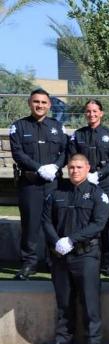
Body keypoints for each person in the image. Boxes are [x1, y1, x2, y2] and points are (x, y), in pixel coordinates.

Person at [41, 153, 109, 344]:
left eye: (79, 167)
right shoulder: (56, 193)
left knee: (89, 300)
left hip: (86, 255)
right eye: (71, 167)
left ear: (88, 168)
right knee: (64, 300)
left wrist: (72, 239)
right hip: (61, 255)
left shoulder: (98, 194)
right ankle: (63, 338)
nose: (74, 171)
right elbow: (46, 221)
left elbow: (98, 224)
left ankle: (93, 340)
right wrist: (57, 241)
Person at [10, 88, 67, 280]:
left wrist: (56, 167)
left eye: (44, 102)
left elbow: (66, 152)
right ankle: (29, 264)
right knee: (31, 224)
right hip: (30, 184)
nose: (40, 105)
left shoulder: (58, 127)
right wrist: (38, 168)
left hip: (53, 184)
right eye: (36, 102)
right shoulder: (19, 126)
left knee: (55, 224)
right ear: (29, 103)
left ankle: (55, 262)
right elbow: (18, 153)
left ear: (49, 105)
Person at [68, 99, 109, 277]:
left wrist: (98, 174)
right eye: (88, 111)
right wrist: (85, 176)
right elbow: (73, 158)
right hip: (84, 185)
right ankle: (88, 260)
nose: (92, 114)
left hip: (105, 183)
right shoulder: (78, 135)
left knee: (108, 222)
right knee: (84, 220)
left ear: (101, 113)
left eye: (95, 111)